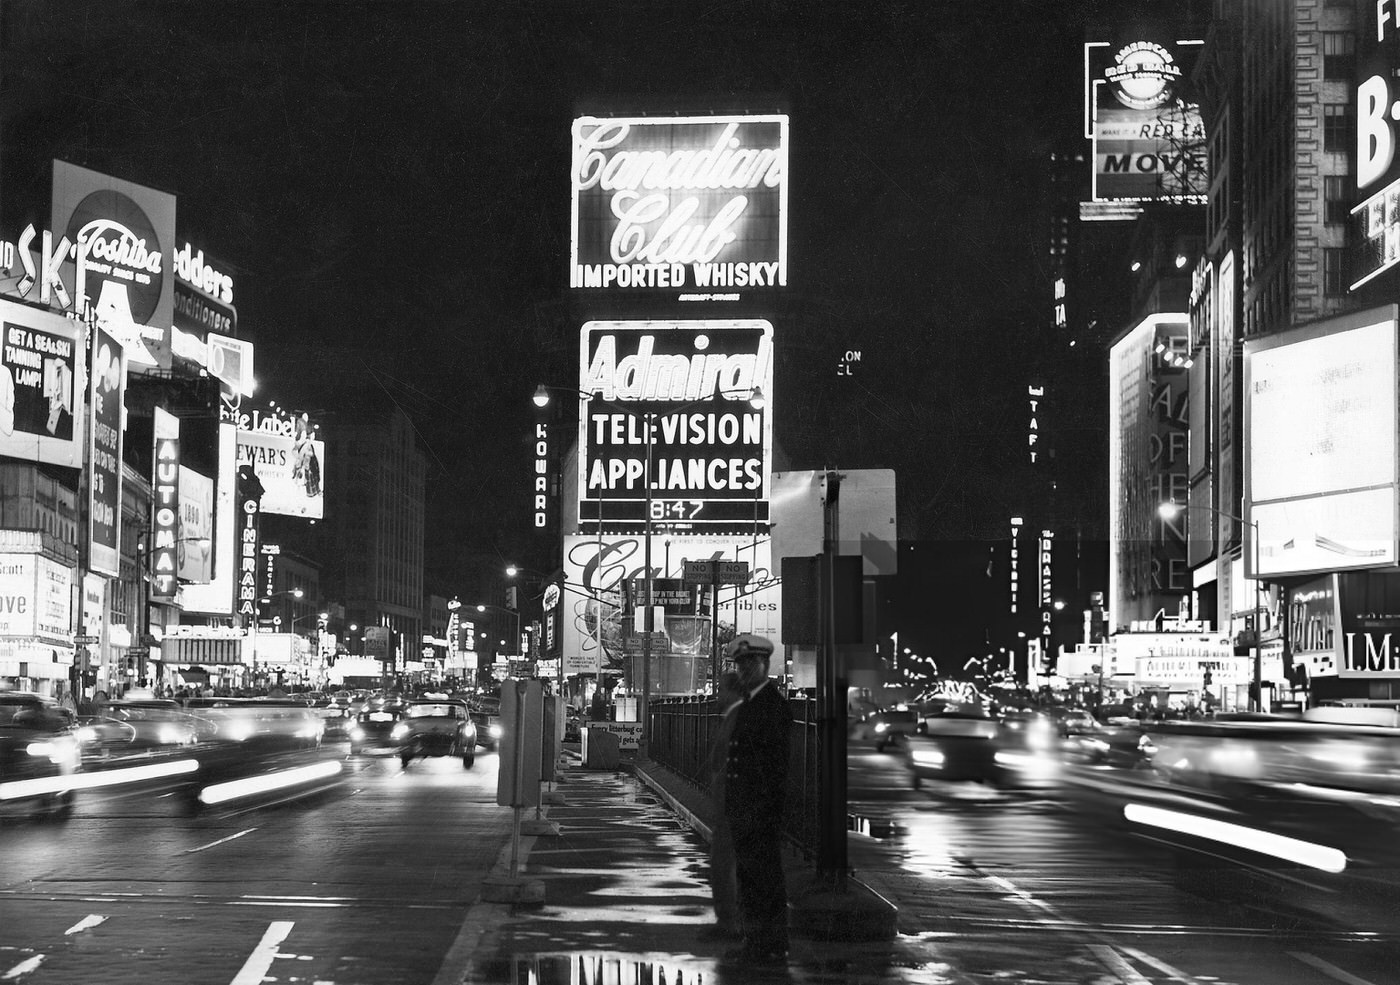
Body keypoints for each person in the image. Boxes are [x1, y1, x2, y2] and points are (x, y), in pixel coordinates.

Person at [720, 633, 791, 965]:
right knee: (751, 878)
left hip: (758, 809)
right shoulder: (752, 702)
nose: (744, 670)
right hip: (745, 808)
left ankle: (769, 943)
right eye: (740, 664)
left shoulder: (771, 705)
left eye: (751, 663)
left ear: (764, 665)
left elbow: (771, 766)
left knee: (764, 878)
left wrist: (758, 809)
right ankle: (758, 941)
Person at [700, 670, 745, 942]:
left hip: (731, 804)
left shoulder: (738, 717)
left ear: (731, 691)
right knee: (724, 863)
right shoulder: (734, 716)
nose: (717, 695)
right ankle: (728, 921)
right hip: (728, 802)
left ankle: (730, 923)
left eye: (720, 690)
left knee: (725, 863)